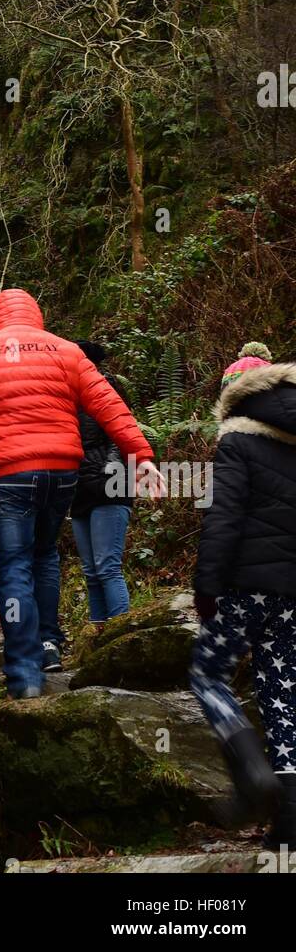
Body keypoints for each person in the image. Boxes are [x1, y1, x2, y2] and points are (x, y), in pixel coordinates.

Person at [0, 289, 162, 699]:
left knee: (15, 566)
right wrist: (140, 455)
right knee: (44, 555)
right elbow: (109, 405)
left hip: (9, 474)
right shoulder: (66, 351)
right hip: (62, 473)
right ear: (37, 316)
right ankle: (49, 642)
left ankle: (24, 673)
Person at [190, 342, 296, 845]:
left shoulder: (235, 441)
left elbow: (223, 519)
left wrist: (206, 587)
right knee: (282, 694)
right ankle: (290, 822)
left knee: (208, 673)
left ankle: (252, 772)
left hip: (245, 588)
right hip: (293, 596)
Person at [72, 340, 141, 633]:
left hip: (108, 486)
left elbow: (122, 433)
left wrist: (109, 470)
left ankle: (120, 634)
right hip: (79, 489)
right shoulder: (67, 398)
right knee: (90, 570)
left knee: (107, 565)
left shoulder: (106, 390)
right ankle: (99, 635)